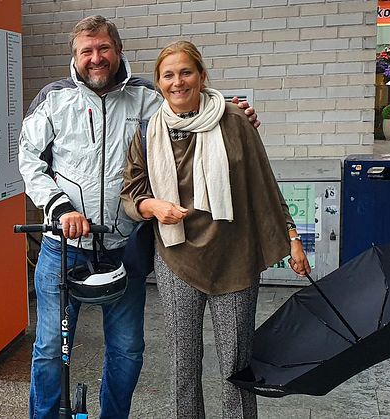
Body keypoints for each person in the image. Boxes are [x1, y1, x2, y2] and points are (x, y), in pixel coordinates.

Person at [18, 16, 258, 419]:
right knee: (48, 348)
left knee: (127, 349)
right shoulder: (53, 99)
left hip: (125, 245)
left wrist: (234, 116)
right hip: (64, 246)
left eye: (104, 48)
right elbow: (29, 161)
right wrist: (60, 207)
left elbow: (191, 106)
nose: (96, 58)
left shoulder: (148, 98)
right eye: (86, 51)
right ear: (74, 57)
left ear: (119, 50)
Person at [121, 41, 311, 419]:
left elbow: (264, 186)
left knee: (237, 367)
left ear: (202, 76)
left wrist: (292, 238)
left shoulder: (234, 120)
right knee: (183, 364)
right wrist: (152, 206)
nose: (178, 82)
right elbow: (130, 194)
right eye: (168, 75)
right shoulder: (147, 132)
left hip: (235, 258)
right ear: (158, 84)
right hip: (177, 259)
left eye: (186, 72)